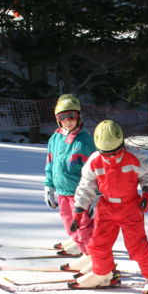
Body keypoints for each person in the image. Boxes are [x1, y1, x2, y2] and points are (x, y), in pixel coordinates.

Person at [70, 119, 148, 294]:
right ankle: (102, 274)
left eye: (115, 152)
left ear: (122, 143)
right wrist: (79, 210)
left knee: (137, 245)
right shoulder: (95, 161)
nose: (111, 157)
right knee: (98, 244)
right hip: (106, 206)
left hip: (130, 206)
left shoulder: (135, 157)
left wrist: (147, 192)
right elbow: (86, 185)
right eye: (106, 153)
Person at [43, 94, 95, 268]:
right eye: (62, 117)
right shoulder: (55, 139)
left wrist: (96, 195)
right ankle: (80, 247)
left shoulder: (84, 140)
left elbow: (95, 170)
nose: (68, 120)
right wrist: (49, 186)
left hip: (80, 194)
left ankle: (94, 259)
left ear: (78, 116)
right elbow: (50, 163)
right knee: (69, 224)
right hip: (63, 192)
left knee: (84, 227)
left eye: (71, 116)